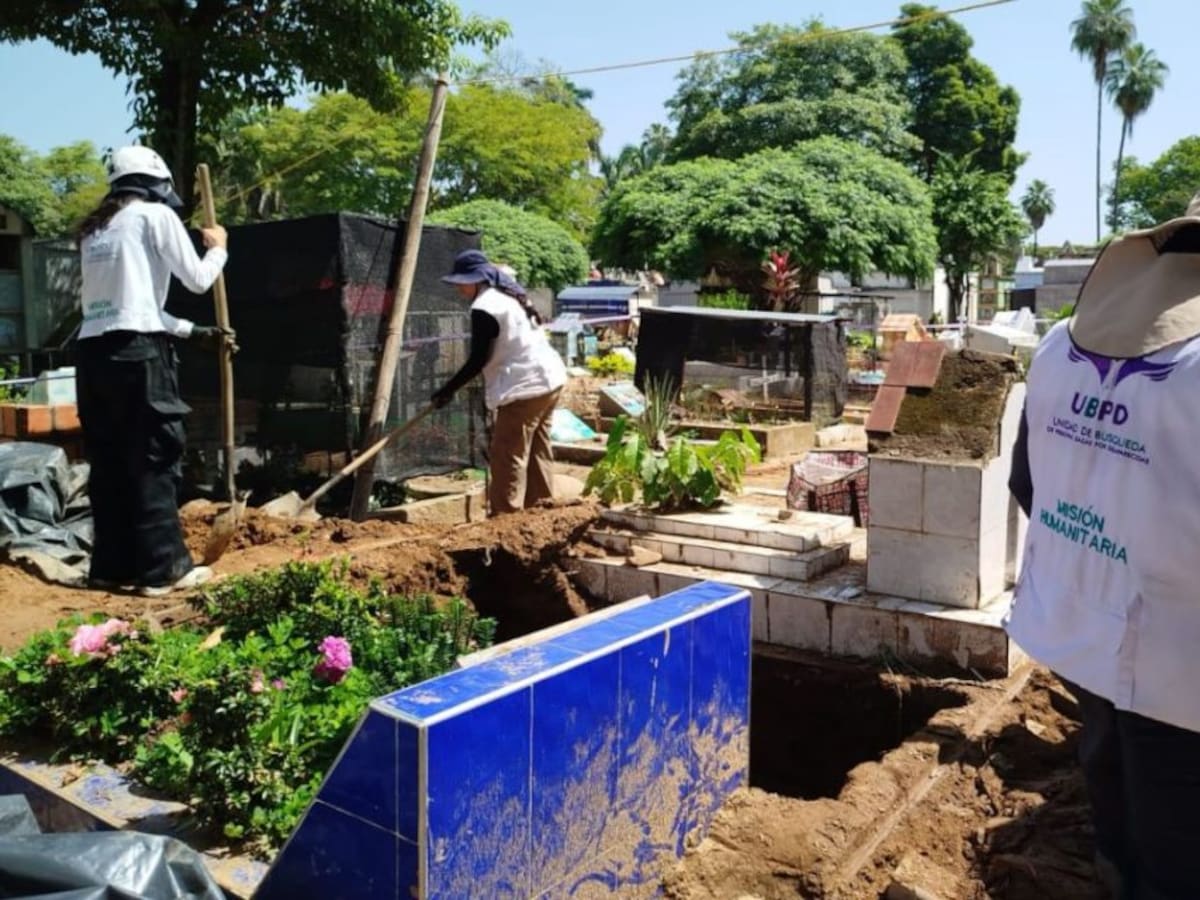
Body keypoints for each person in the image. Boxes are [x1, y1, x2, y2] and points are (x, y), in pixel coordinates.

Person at [1007, 193, 1200, 900]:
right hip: (1184, 656)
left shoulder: (1063, 343)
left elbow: (1028, 481)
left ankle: (1114, 863)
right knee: (1180, 833)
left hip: (1082, 621)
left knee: (1112, 757)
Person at [75, 145, 234, 597]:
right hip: (139, 354)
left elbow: (133, 305)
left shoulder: (95, 229)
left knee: (109, 460)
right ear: (156, 184)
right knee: (154, 456)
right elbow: (198, 280)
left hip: (93, 354)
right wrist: (219, 249)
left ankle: (111, 568)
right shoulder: (154, 215)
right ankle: (164, 570)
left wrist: (191, 331)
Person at [432, 249, 565, 515]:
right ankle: (543, 512)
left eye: (462, 282)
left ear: (477, 279)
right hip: (550, 380)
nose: (459, 288)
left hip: (524, 388)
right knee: (538, 450)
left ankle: (504, 520)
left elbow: (478, 359)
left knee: (507, 455)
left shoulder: (485, 307)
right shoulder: (509, 296)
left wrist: (447, 390)